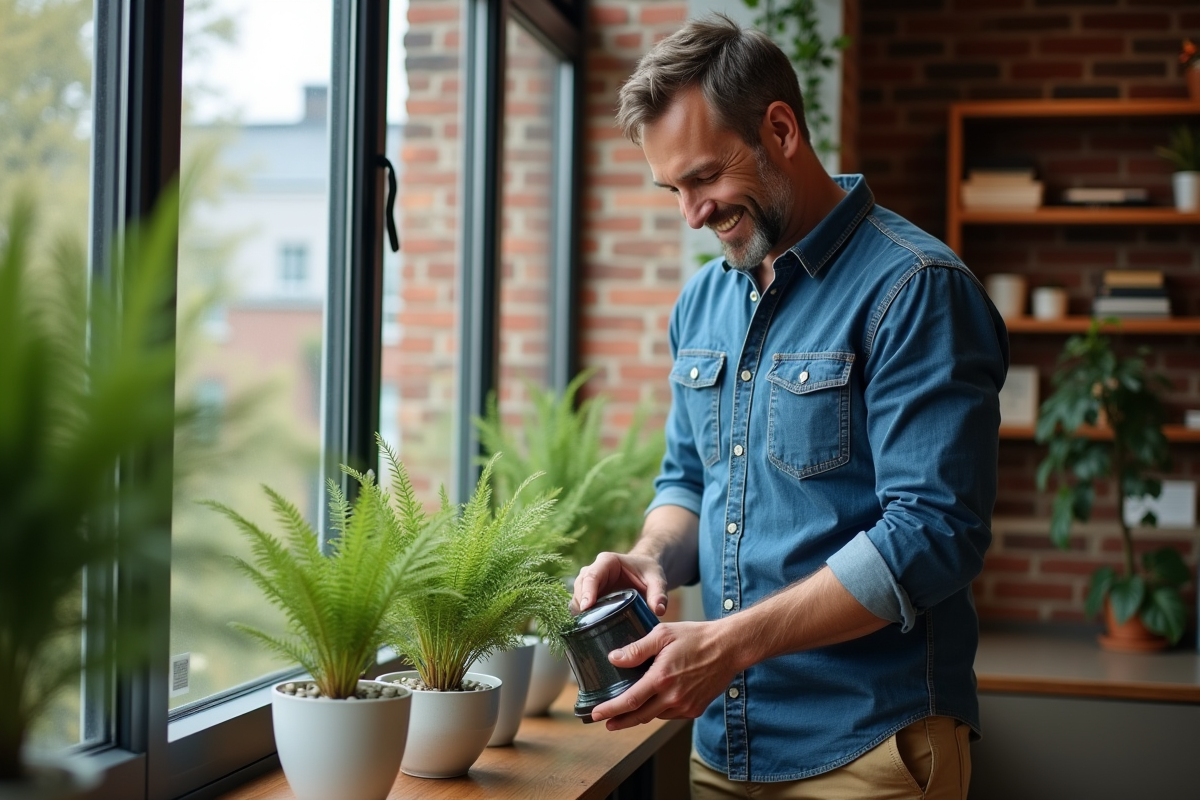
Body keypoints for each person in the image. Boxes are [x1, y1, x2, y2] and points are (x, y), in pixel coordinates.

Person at [569, 14, 1009, 800]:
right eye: (673, 189)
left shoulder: (915, 289)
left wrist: (730, 645)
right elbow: (689, 483)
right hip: (722, 748)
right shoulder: (702, 302)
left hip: (870, 750)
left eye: (704, 178)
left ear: (780, 129)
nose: (691, 214)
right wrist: (651, 560)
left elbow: (934, 532)